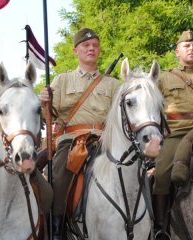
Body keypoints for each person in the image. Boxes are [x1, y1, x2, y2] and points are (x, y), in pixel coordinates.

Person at [39, 28, 120, 240]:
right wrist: (44, 101)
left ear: (99, 50)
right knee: (58, 176)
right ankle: (56, 229)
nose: (91, 49)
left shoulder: (113, 84)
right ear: (76, 51)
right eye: (86, 46)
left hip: (104, 139)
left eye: (95, 46)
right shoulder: (62, 80)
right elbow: (48, 115)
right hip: (71, 141)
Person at [152, 30, 193, 239]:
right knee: (161, 172)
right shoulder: (163, 78)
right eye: (187, 46)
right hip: (177, 132)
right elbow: (151, 108)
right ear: (177, 52)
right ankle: (161, 226)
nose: (192, 49)